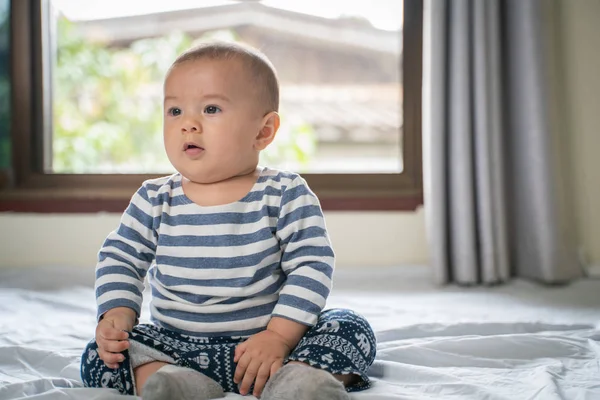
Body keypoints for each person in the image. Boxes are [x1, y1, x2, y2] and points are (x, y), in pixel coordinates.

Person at [80, 41, 376, 400]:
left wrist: (280, 337)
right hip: (177, 349)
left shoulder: (284, 193)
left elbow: (311, 264)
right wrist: (117, 314)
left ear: (263, 131)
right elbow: (121, 258)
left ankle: (300, 381)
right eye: (174, 111)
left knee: (350, 328)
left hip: (268, 348)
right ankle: (172, 385)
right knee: (101, 356)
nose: (188, 124)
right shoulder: (155, 199)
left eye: (211, 108)